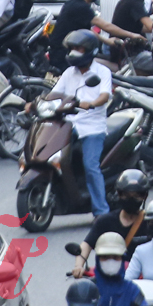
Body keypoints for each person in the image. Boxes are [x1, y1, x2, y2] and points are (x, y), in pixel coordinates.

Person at [49, 31, 115, 212]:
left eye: (79, 49)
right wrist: (38, 102)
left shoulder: (102, 72)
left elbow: (104, 95)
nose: (74, 53)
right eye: (72, 49)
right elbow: (55, 93)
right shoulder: (69, 72)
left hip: (92, 126)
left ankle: (101, 211)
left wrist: (92, 103)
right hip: (69, 122)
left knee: (91, 166)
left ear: (90, 51)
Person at [89, 234, 148, 306]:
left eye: (115, 257)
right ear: (98, 259)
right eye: (105, 257)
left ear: (122, 259)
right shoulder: (87, 288)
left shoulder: (131, 289)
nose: (110, 261)